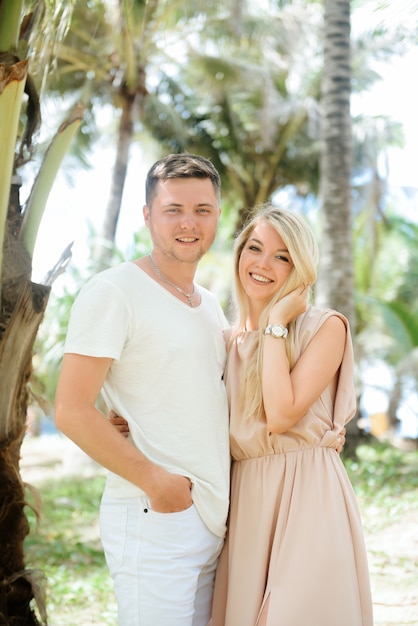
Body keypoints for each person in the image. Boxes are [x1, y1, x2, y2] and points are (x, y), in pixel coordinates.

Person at [54, 153, 231, 626]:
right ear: (148, 216)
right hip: (157, 516)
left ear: (217, 216)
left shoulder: (210, 305)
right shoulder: (115, 291)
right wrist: (158, 484)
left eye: (202, 210)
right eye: (173, 209)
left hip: (211, 520)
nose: (189, 223)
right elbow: (71, 409)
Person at [208, 203, 373, 626]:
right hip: (246, 503)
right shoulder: (224, 343)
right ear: (239, 253)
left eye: (282, 256)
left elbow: (281, 415)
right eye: (255, 248)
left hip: (309, 497)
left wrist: (277, 321)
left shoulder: (324, 327)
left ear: (300, 268)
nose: (263, 264)